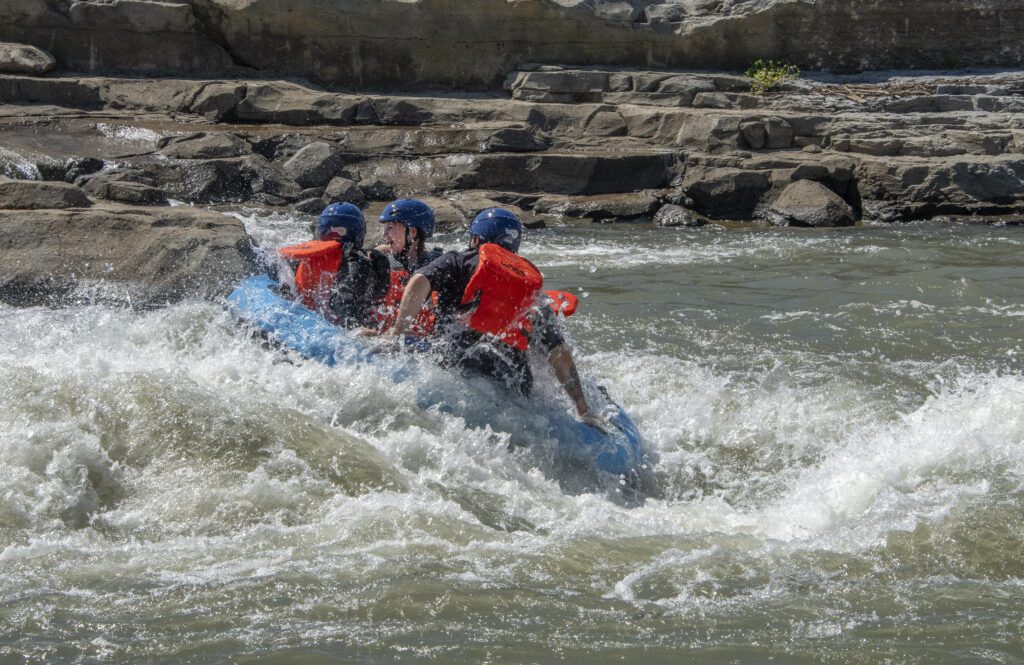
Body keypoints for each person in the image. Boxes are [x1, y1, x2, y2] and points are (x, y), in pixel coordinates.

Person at [379, 207, 606, 429]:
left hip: (459, 371)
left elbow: (419, 281)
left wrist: (396, 334)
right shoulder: (528, 287)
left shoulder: (458, 260)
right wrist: (582, 407)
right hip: (515, 383)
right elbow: (558, 354)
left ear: (476, 238)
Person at [276, 202, 388, 328]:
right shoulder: (358, 263)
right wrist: (357, 329)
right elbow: (342, 298)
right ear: (359, 233)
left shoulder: (303, 259)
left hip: (305, 319)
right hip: (342, 328)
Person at [368, 199, 443, 334]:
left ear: (412, 232)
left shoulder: (437, 265)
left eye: (390, 227)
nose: (385, 235)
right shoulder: (383, 259)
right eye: (385, 229)